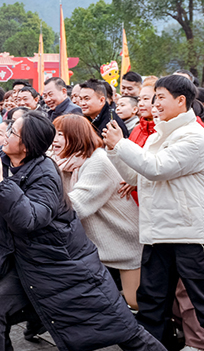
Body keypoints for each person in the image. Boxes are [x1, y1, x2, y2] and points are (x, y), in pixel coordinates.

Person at [0, 107, 165, 351]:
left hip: (64, 268)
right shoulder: (7, 160)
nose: (6, 135)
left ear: (26, 146)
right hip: (30, 264)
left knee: (123, 330)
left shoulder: (45, 174)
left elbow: (28, 220)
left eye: (13, 132)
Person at [104, 74, 204, 350]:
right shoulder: (159, 133)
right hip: (158, 232)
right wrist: (115, 150)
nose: (155, 103)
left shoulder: (193, 136)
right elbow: (138, 175)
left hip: (188, 234)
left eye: (161, 97)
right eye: (154, 97)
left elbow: (157, 167)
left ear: (181, 100)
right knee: (151, 304)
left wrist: (122, 144)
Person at [51, 114, 142, 309]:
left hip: (124, 240)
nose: (54, 140)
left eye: (60, 134)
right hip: (100, 243)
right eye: (54, 134)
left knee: (134, 300)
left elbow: (76, 206)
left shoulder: (97, 161)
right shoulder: (65, 162)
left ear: (76, 136)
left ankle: (173, 333)